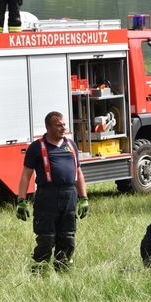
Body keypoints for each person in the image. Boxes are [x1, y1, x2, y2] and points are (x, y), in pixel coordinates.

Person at [16, 111, 89, 273]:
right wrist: (21, 201)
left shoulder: (71, 145)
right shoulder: (36, 147)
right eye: (59, 125)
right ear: (48, 127)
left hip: (69, 197)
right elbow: (26, 175)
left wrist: (84, 198)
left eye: (64, 124)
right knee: (46, 240)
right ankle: (39, 273)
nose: (63, 128)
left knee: (68, 239)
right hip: (47, 197)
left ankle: (63, 272)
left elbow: (79, 173)